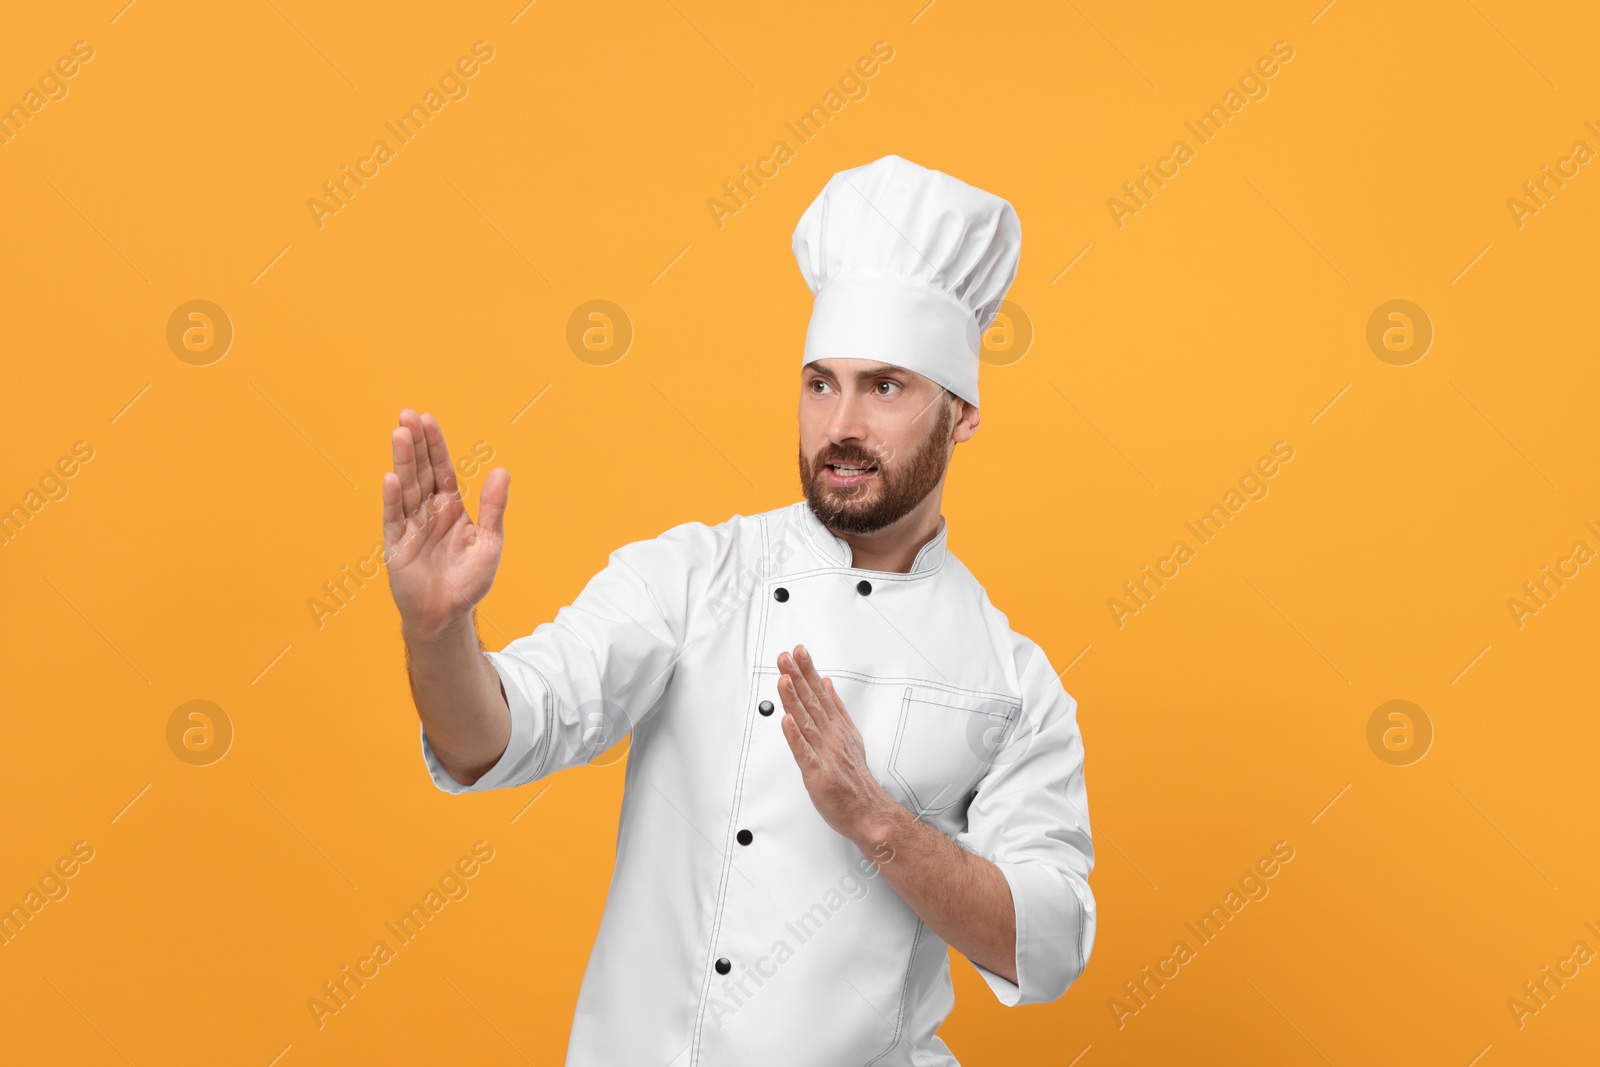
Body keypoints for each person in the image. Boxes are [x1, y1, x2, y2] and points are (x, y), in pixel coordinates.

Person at [382, 153, 1096, 1066]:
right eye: (819, 382)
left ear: (960, 414)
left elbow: (1049, 937)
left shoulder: (1008, 678)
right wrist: (437, 632)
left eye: (885, 386)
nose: (841, 422)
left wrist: (877, 819)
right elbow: (501, 733)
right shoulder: (699, 577)